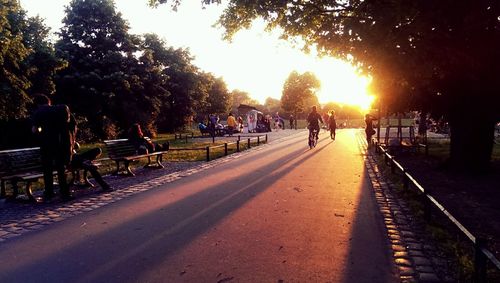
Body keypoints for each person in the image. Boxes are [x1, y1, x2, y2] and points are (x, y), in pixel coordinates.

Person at [31, 94, 76, 201]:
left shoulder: (39, 112)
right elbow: (72, 125)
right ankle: (65, 192)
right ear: (49, 101)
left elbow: (34, 130)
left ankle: (49, 192)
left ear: (37, 104)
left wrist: (40, 131)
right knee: (61, 168)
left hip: (47, 144)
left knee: (47, 169)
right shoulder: (61, 110)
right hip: (62, 143)